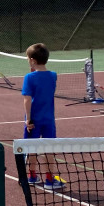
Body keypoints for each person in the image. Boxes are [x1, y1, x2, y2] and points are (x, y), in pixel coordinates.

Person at [22, 43, 63, 191]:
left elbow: (27, 99)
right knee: (49, 149)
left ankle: (32, 176)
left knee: (31, 148)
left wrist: (28, 119)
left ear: (32, 60)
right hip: (49, 120)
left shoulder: (29, 77)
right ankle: (49, 180)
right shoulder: (53, 76)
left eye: (28, 58)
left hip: (34, 119)